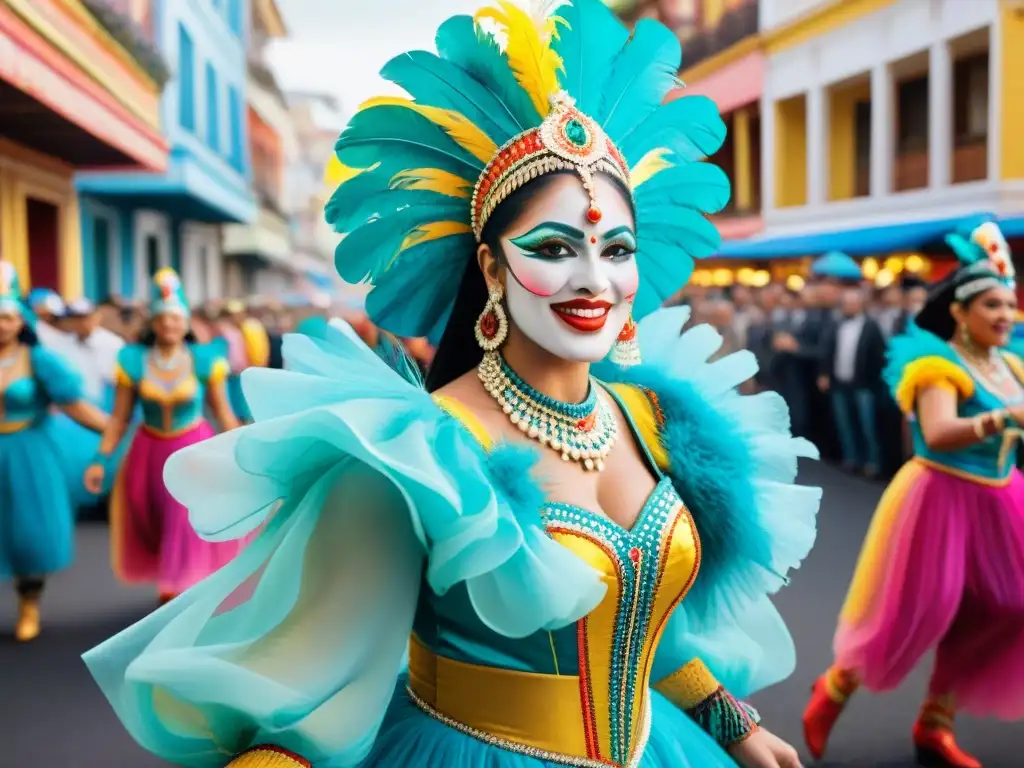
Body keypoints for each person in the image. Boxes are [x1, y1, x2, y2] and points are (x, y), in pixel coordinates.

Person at [84, 3, 820, 767]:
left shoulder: (654, 418)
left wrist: (731, 723)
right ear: (492, 267)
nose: (594, 280)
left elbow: (639, 622)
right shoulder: (416, 454)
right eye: (555, 248)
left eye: (616, 249)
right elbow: (313, 684)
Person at [802, 221, 1024, 768]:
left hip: (1001, 501)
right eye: (992, 304)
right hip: (941, 499)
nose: (1005, 315)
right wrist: (1003, 417)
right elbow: (941, 432)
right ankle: (835, 688)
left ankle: (935, 722)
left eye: (1010, 304)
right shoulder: (937, 365)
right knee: (918, 611)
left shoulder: (1013, 366)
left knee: (1007, 606)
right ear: (961, 311)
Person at [83, 269, 243, 605]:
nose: (169, 324)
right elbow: (119, 418)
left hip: (193, 452)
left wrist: (246, 452)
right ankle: (172, 592)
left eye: (175, 318)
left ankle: (178, 597)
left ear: (186, 322)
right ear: (152, 322)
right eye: (162, 318)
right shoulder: (133, 361)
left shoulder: (204, 360)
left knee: (184, 521)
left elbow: (224, 413)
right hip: (149, 455)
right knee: (160, 526)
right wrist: (100, 459)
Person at [0, 262, 109, 641]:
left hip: (29, 452)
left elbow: (74, 406)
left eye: (7, 318)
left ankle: (29, 604)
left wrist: (115, 430)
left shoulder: (39, 360)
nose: (1, 325)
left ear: (21, 322)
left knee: (29, 532)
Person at [47, 297, 128, 516]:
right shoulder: (60, 347)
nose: (81, 323)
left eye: (85, 317)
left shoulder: (113, 345)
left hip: (107, 407)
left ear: (95, 317)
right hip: (72, 415)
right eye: (75, 318)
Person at [818, 287, 886, 477]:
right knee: (845, 425)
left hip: (864, 384)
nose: (849, 306)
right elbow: (827, 350)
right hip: (840, 382)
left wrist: (874, 381)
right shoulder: (836, 324)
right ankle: (852, 459)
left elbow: (879, 355)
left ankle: (872, 462)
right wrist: (824, 373)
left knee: (867, 426)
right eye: (846, 303)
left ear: (861, 304)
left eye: (853, 303)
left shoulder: (871, 326)